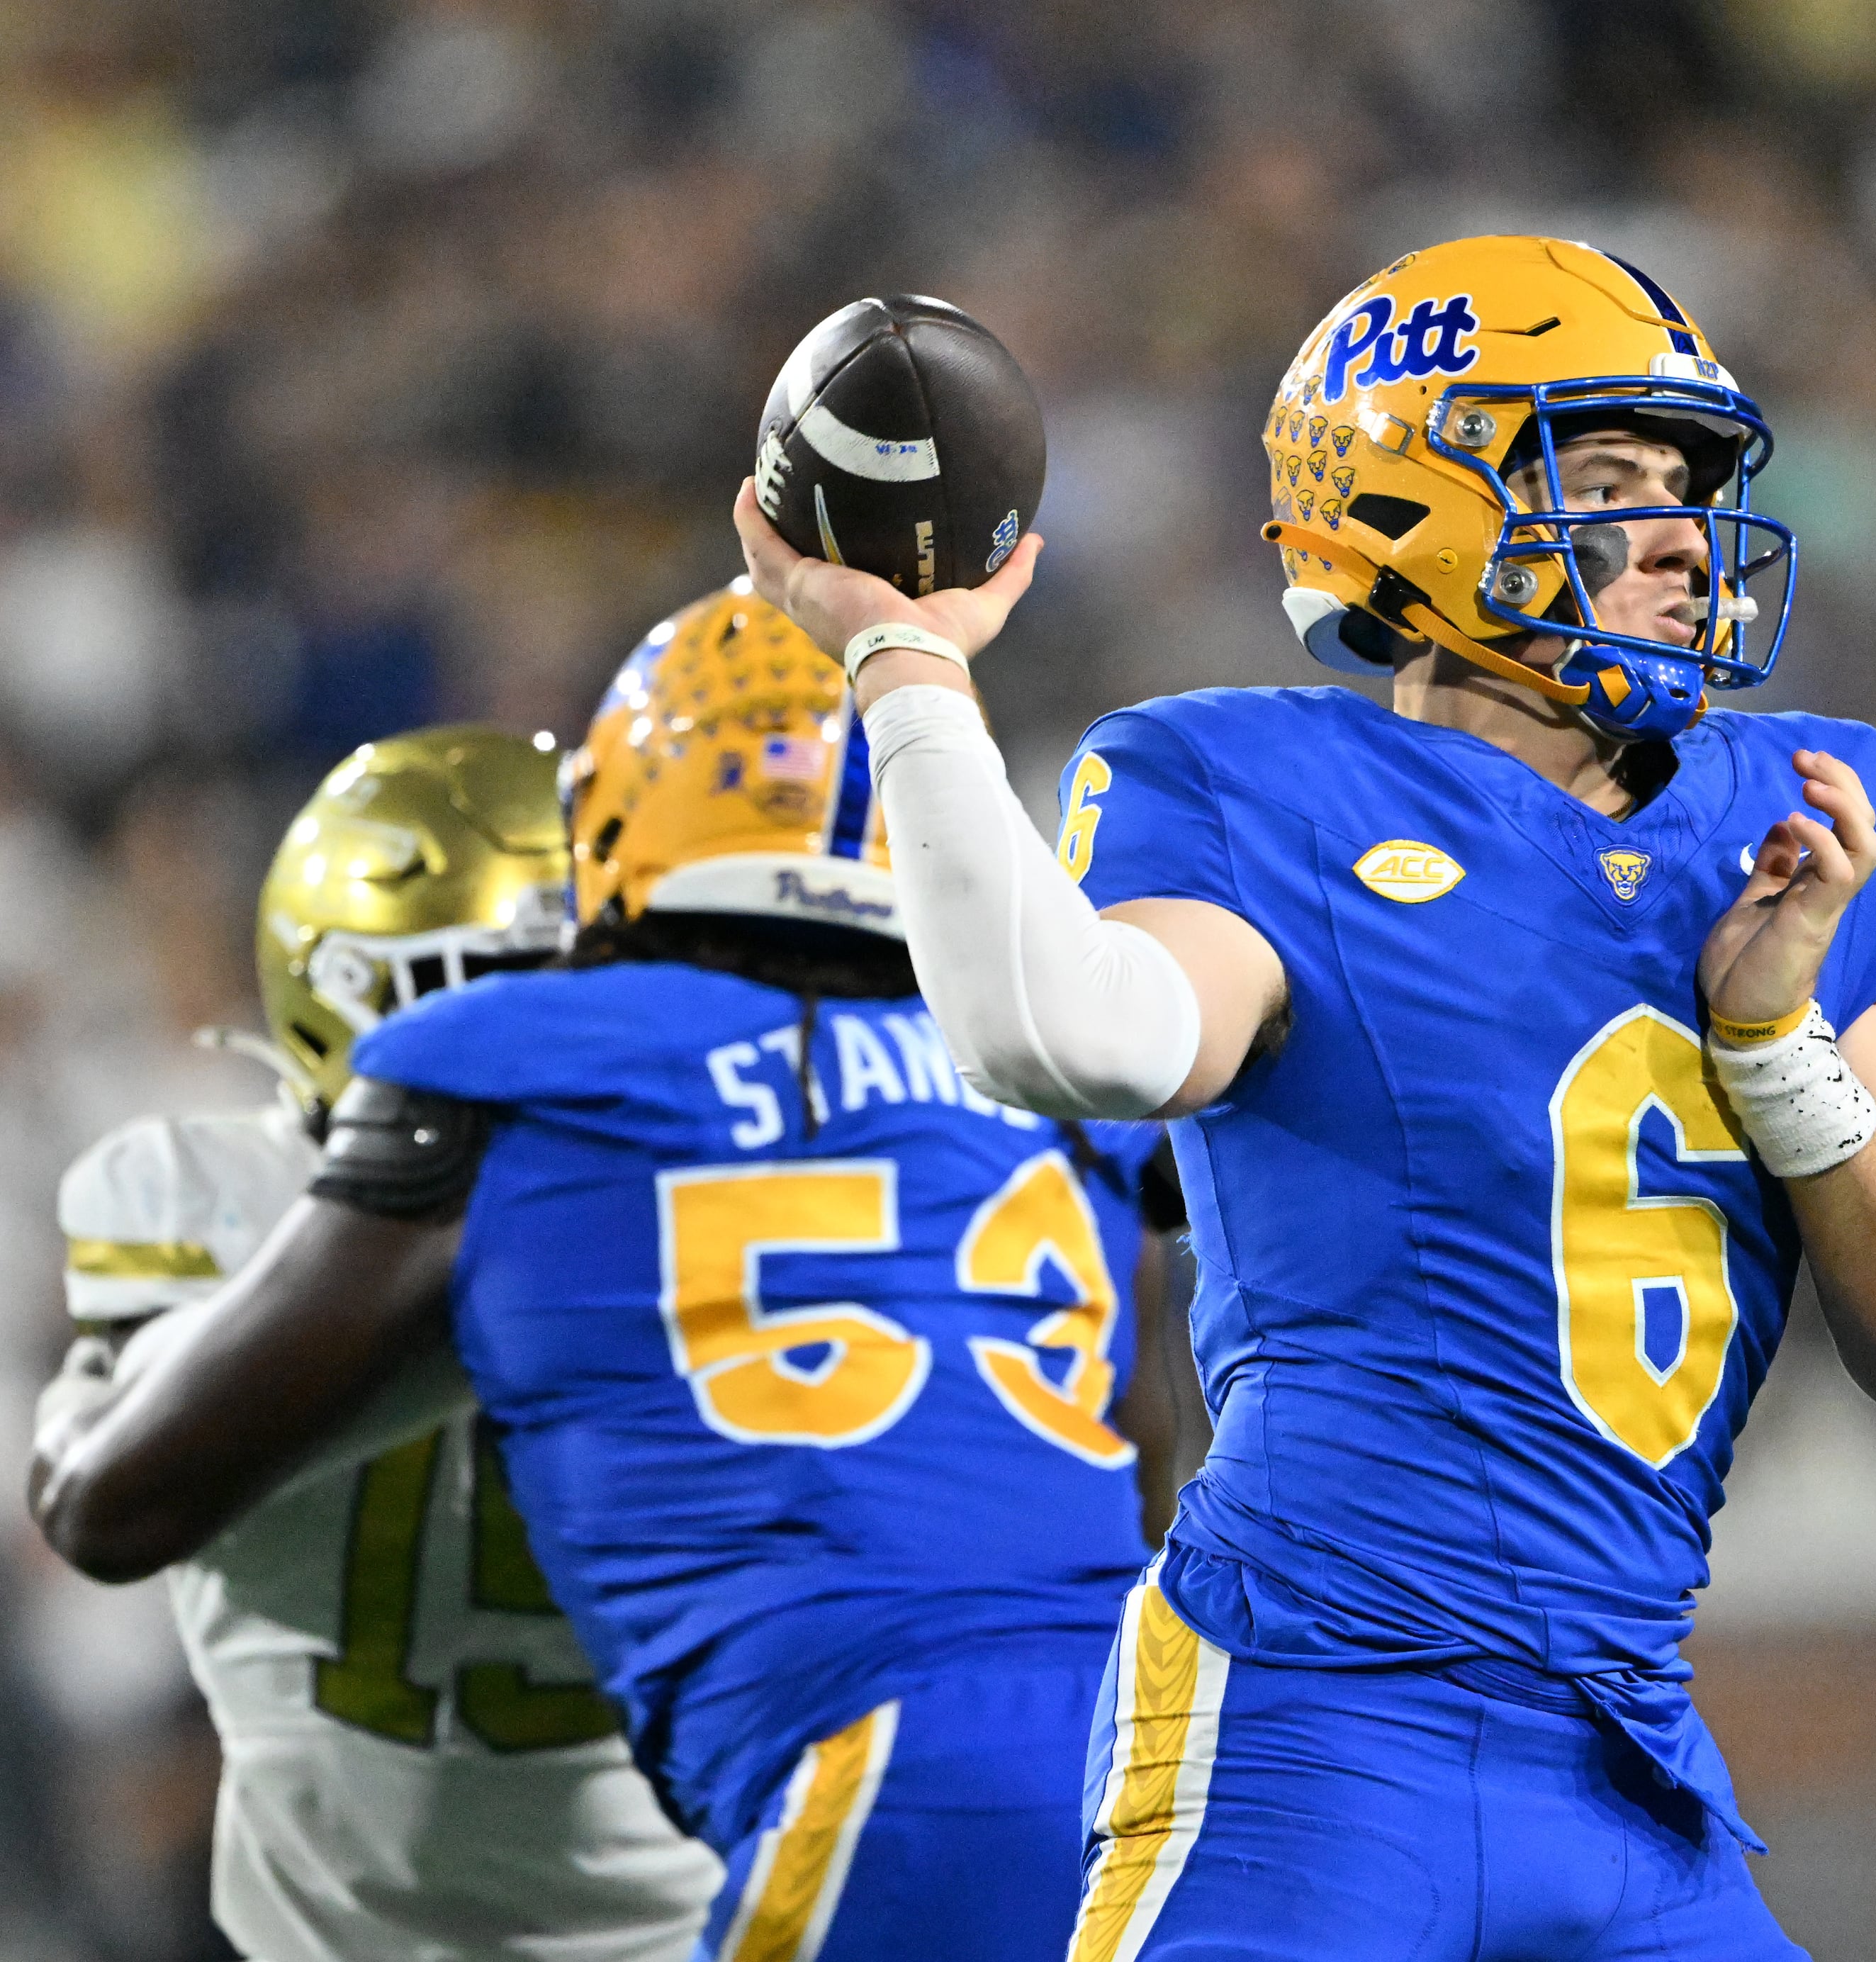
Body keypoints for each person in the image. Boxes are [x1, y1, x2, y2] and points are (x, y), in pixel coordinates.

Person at [737, 233, 1876, 1960]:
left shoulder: (1813, 807)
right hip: (1311, 1721)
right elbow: (1076, 1037)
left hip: (1629, 1752)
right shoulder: (1253, 777)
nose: (1673, 533)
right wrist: (908, 669)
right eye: (1601, 475)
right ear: (1410, 501)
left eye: (1683, 481)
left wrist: (1778, 1045)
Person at [31, 585, 1189, 1962]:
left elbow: (108, 1502)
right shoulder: (1056, 1088)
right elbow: (1151, 1476)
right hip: (1160, 1756)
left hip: (876, 1775)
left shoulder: (519, 1057)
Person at [28, 725, 721, 1962]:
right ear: (351, 995)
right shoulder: (203, 1184)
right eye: (514, 989)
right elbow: (128, 1499)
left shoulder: (719, 1189)